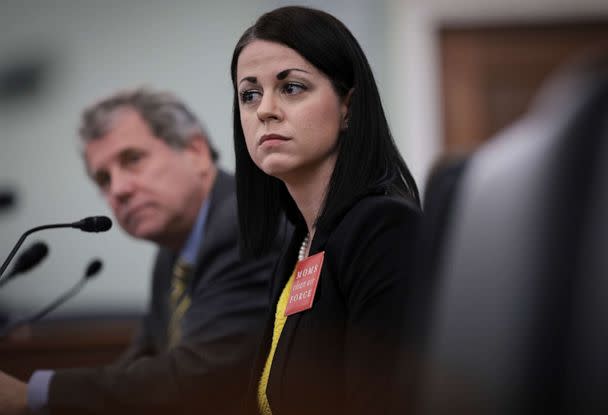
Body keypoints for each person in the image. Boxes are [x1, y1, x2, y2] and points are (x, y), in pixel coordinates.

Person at [0, 87, 284, 415]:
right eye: (103, 179)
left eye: (132, 159)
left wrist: (32, 395)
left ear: (195, 151)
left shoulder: (244, 222)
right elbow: (139, 365)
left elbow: (201, 377)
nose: (118, 189)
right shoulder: (173, 252)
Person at [231, 6, 422, 414]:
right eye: (249, 94)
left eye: (291, 88)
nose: (265, 109)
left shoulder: (384, 230)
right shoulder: (298, 245)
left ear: (348, 107)